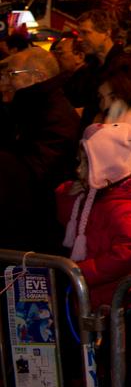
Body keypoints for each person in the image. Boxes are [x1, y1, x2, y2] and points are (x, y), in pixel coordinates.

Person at [56, 122, 131, 308]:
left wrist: (81, 272)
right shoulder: (98, 193)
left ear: (108, 166)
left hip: (115, 299)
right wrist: (68, 197)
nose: (79, 170)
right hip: (92, 295)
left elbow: (125, 255)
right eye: (80, 162)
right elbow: (70, 223)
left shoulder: (127, 208)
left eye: (87, 163)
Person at [0, 47, 83, 250]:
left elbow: (38, 171)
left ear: (38, 77)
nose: (7, 81)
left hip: (38, 226)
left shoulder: (55, 116)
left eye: (13, 74)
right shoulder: (29, 108)